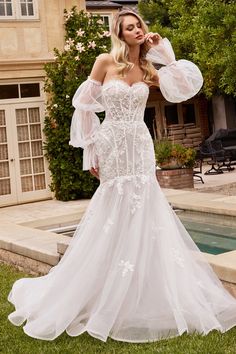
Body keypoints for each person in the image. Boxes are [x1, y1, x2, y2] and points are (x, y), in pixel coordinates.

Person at [8, 10, 236, 343]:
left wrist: (163, 52)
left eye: (139, 25)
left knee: (146, 205)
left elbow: (184, 87)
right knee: (113, 207)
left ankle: (142, 289)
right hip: (112, 142)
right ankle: (101, 289)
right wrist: (90, 150)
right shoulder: (104, 62)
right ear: (120, 33)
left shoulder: (148, 67)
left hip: (139, 143)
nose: (137, 30)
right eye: (130, 27)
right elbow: (84, 106)